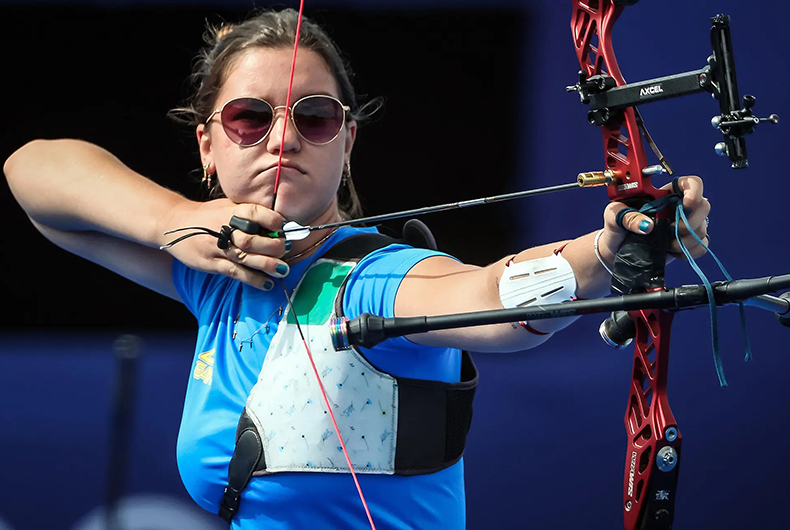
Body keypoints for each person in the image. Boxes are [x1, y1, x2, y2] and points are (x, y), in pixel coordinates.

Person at [2, 8, 710, 530]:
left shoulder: (375, 278)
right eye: (250, 117)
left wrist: (608, 251)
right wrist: (173, 222)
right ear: (208, 143)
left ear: (346, 142)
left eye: (314, 117)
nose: (283, 137)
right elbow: (35, 179)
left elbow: (491, 297)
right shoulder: (213, 276)